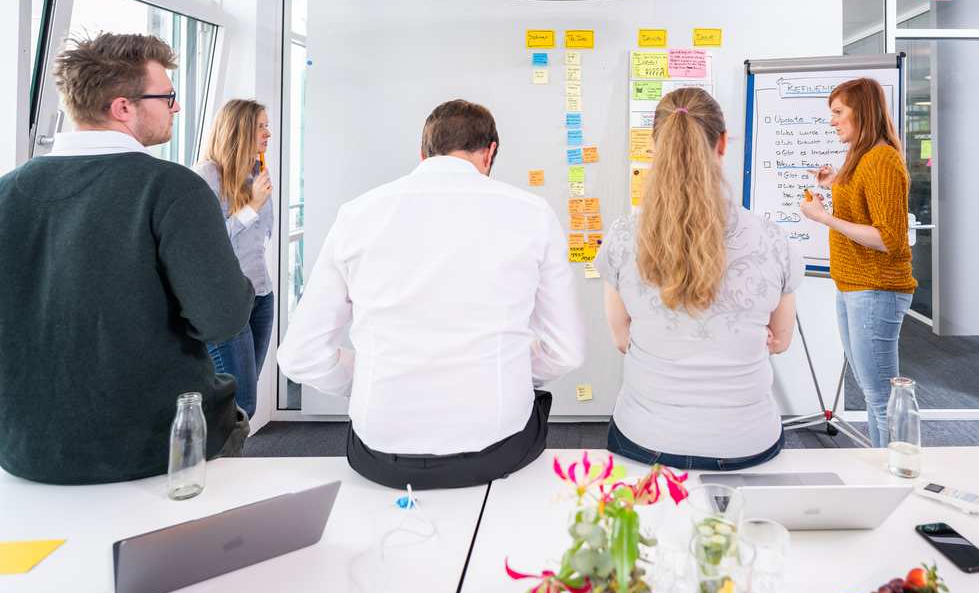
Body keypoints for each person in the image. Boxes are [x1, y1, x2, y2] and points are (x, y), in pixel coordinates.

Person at [278, 99, 585, 489]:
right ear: (489, 153)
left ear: (423, 154)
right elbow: (567, 351)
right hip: (495, 447)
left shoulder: (357, 215)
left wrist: (375, 376)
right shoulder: (533, 214)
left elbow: (300, 356)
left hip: (380, 454)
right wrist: (506, 372)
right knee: (531, 411)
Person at [0, 33, 255, 484]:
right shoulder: (172, 188)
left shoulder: (8, 190)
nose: (176, 107)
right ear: (122, 107)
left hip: (26, 455)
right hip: (156, 453)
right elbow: (223, 320)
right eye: (168, 96)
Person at [597, 87, 796, 471]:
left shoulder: (623, 236)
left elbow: (622, 339)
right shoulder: (773, 238)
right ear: (722, 142)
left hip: (646, 438)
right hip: (747, 443)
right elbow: (781, 340)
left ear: (657, 145)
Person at [801, 77, 916, 448]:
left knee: (881, 398)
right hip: (854, 286)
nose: (832, 121)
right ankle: (886, 466)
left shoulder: (881, 160)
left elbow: (888, 238)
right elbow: (866, 207)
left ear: (861, 111)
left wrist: (824, 218)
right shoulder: (862, 158)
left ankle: (896, 473)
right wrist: (837, 183)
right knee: (873, 393)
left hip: (876, 289)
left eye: (838, 113)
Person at [194, 100, 275, 420]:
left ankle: (228, 465)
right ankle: (218, 468)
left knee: (244, 397)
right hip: (225, 300)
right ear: (238, 130)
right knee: (240, 404)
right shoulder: (206, 176)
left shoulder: (256, 172)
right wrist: (252, 207)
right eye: (261, 126)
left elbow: (261, 237)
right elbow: (204, 244)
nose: (268, 133)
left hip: (260, 295)